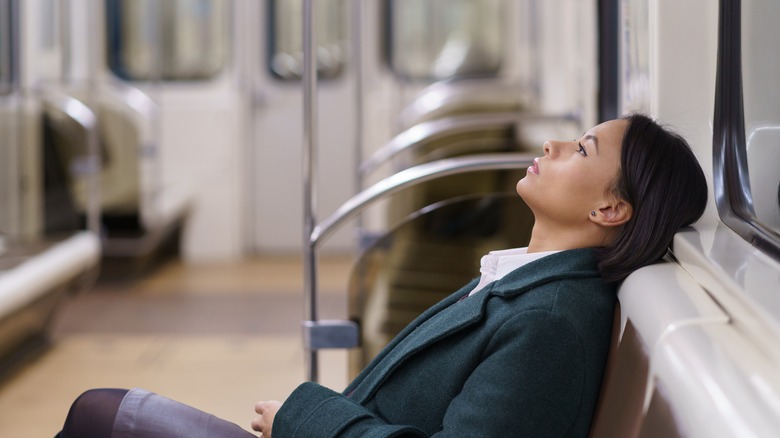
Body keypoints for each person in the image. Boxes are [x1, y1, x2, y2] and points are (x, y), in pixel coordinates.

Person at [55, 114, 708, 437]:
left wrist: (306, 418)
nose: (553, 146)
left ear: (609, 208)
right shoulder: (529, 281)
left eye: (582, 150)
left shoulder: (551, 323)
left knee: (98, 414)